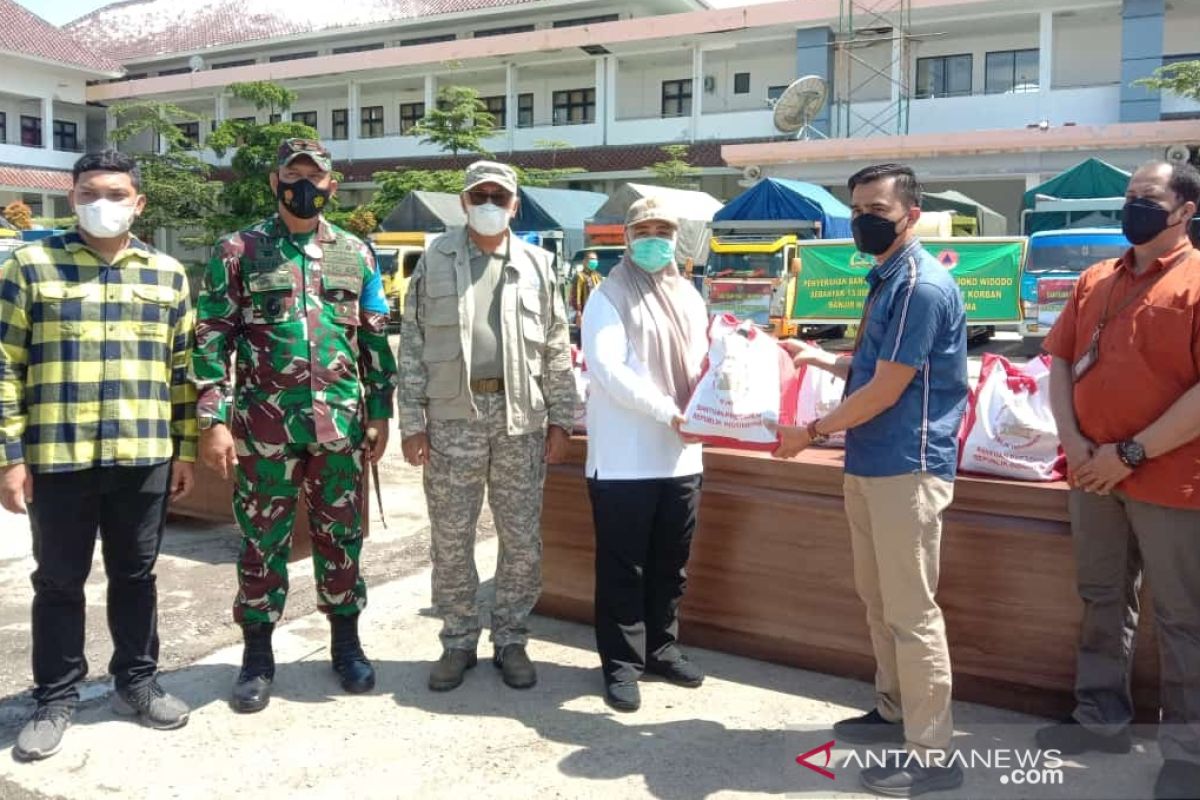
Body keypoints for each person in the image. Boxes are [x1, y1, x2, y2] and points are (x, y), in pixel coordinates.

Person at [770, 164, 969, 797]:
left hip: (905, 469)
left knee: (912, 614)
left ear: (911, 214)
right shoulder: (885, 279)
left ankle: (932, 754)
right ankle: (893, 710)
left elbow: (888, 388)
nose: (863, 219)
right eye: (857, 207)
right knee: (879, 601)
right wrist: (823, 358)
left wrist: (812, 432)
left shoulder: (919, 285)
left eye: (877, 208)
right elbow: (878, 363)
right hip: (872, 463)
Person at [0, 150, 196, 760]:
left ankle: (135, 682)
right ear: (72, 198)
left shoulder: (168, 274)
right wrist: (10, 456)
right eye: (89, 192)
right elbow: (5, 365)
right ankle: (56, 697)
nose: (101, 203)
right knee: (59, 581)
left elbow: (184, 372)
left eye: (114, 192)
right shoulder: (30, 268)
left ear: (139, 202)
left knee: (135, 576)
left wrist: (184, 451)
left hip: (143, 455)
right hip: (58, 456)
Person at [192, 138, 397, 713]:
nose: (304, 184)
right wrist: (213, 420)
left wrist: (380, 410)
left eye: (315, 175)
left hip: (340, 427)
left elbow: (374, 334)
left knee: (342, 537)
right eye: (293, 173)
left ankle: (347, 642)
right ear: (274, 181)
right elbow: (213, 335)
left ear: (332, 184)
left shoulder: (355, 252)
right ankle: (257, 655)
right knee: (263, 542)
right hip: (264, 429)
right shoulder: (239, 249)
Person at [1036, 161, 1200, 800]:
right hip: (1091, 474)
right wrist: (1076, 443)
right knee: (1102, 596)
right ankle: (1099, 718)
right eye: (1130, 196)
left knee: (1183, 618)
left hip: (1171, 478)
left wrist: (1128, 453)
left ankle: (1186, 750)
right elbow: (1058, 362)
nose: (1133, 207)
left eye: (1148, 198)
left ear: (1185, 210)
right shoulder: (1096, 278)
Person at [398, 160, 573, 693]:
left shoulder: (540, 265)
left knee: (520, 540)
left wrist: (562, 419)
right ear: (464, 202)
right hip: (455, 417)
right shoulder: (435, 259)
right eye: (481, 195)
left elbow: (557, 345)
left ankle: (512, 638)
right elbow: (413, 344)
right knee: (452, 538)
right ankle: (457, 640)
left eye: (500, 195)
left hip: (520, 418)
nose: (490, 203)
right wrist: (411, 422)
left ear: (515, 204)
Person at [581, 197, 709, 713]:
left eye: (664, 229)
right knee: (624, 567)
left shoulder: (690, 296)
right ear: (627, 237)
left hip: (681, 456)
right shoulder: (608, 296)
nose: (655, 237)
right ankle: (621, 663)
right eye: (644, 229)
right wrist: (668, 411)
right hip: (624, 459)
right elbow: (609, 371)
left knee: (670, 564)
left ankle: (661, 648)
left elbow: (705, 362)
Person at [571, 251, 603, 319]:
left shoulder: (598, 276)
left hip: (597, 312)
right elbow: (576, 295)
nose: (594, 261)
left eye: (595, 259)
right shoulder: (579, 276)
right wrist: (578, 312)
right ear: (584, 261)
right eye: (591, 259)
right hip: (584, 313)